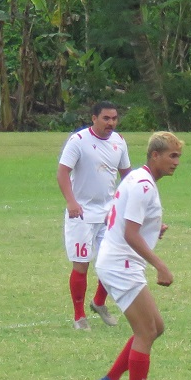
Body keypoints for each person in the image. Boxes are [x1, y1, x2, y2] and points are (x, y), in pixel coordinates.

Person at [89, 132, 182, 380]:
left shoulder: (136, 179)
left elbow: (120, 221)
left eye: (178, 157)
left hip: (119, 261)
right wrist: (160, 265)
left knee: (156, 327)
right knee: (146, 332)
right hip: (121, 265)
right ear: (154, 155)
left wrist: (154, 229)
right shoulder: (143, 185)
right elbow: (129, 233)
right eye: (171, 156)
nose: (175, 162)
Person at [58, 102, 131, 329]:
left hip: (108, 213)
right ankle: (79, 316)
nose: (111, 123)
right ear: (94, 118)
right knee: (81, 265)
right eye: (106, 118)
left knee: (112, 263)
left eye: (114, 118)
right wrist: (71, 201)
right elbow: (62, 172)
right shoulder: (78, 141)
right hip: (81, 214)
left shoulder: (119, 142)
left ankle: (99, 302)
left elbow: (126, 175)